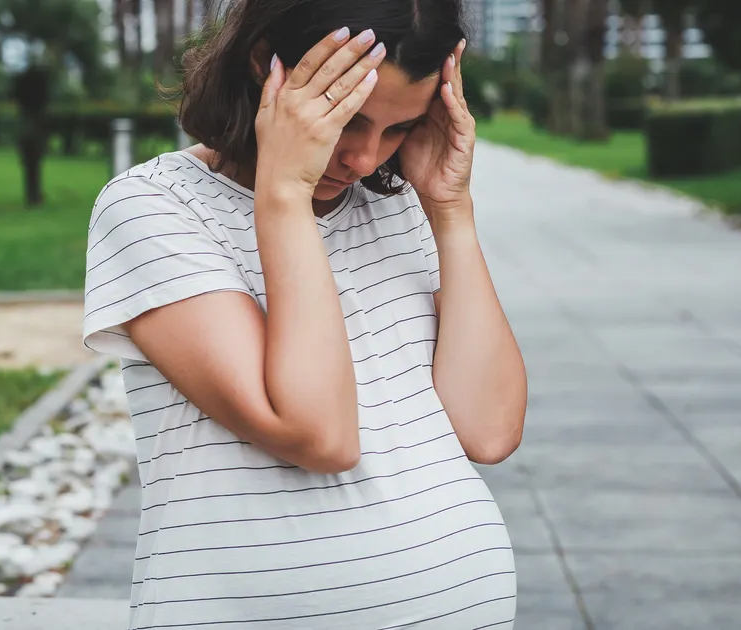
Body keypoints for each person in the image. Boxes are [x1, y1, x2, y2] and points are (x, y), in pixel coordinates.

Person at [81, 0, 527, 627]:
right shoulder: (154, 208)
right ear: (270, 66)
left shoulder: (397, 210)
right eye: (351, 120)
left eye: (398, 129)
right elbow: (319, 434)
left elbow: (488, 430)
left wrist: (451, 211)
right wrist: (285, 192)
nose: (367, 159)